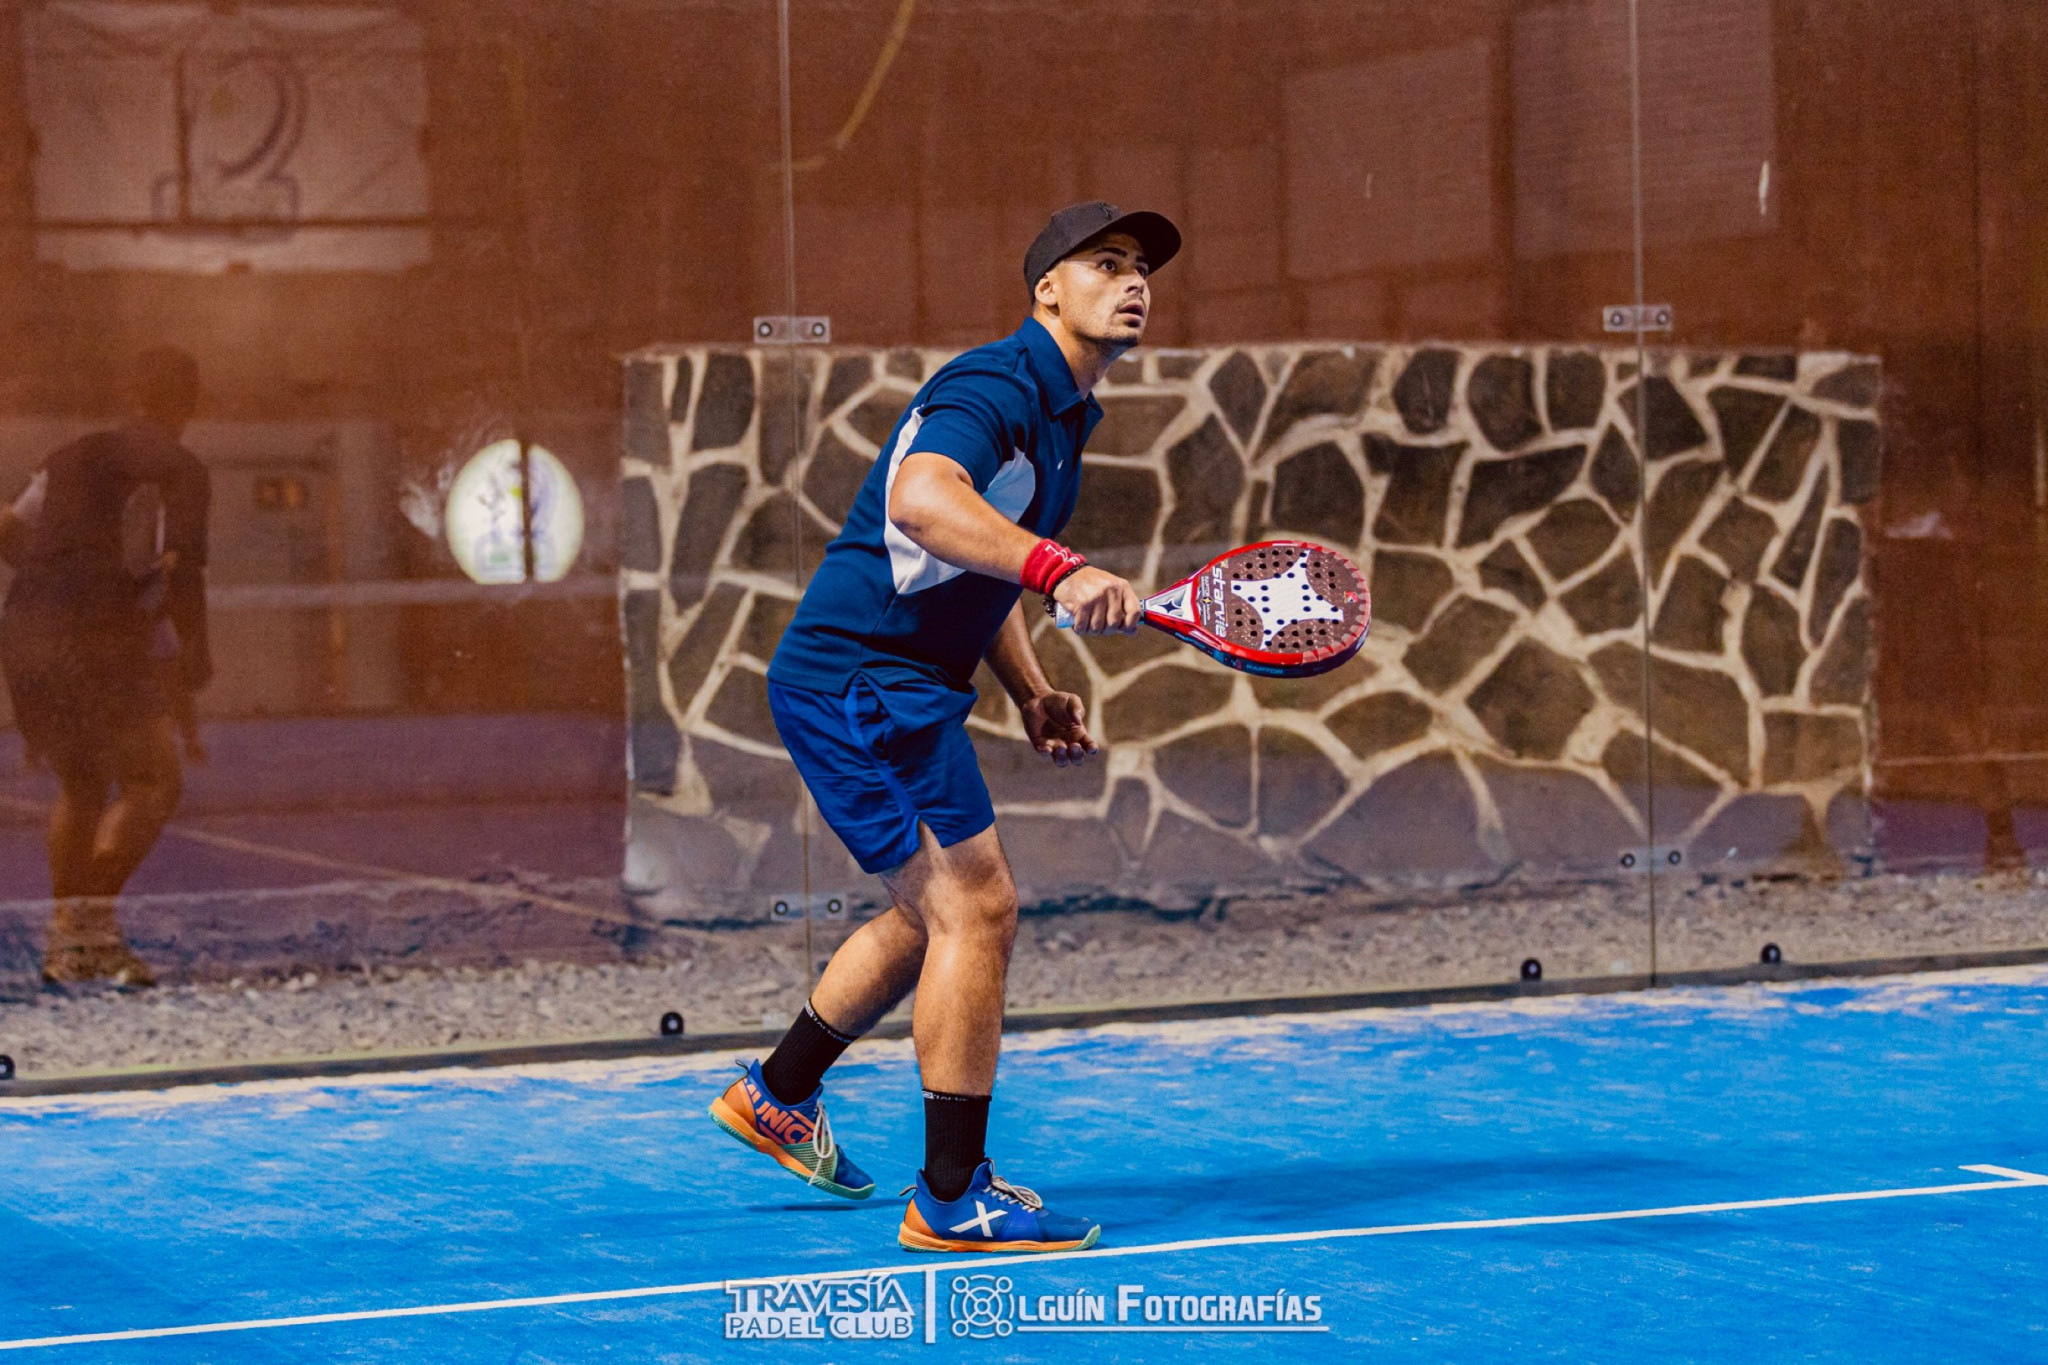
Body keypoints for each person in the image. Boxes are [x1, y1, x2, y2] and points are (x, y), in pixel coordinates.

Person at [708, 202, 1179, 1253]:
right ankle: (953, 1194)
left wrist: (1030, 687)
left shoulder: (1065, 415)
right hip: (860, 676)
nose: (1133, 282)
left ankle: (778, 1094)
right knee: (979, 907)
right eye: (1105, 264)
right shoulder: (993, 387)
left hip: (898, 682)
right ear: (1046, 289)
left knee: (935, 913)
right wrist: (1061, 568)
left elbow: (977, 559)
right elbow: (924, 502)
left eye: (1141, 269)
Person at [0, 345, 212, 987]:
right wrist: (196, 654)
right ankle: (82, 928)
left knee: (85, 784)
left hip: (27, 631)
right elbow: (178, 568)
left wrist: (51, 578)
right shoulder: (180, 469)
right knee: (155, 782)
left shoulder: (68, 457)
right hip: (96, 638)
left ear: (130, 395)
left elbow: (7, 527)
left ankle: (74, 947)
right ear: (190, 401)